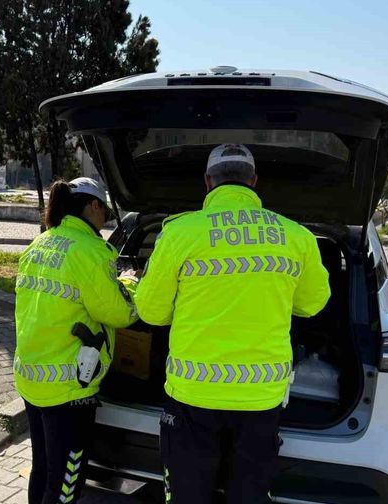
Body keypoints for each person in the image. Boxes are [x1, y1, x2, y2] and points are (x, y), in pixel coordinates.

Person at [135, 144, 331, 503]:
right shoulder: (297, 237)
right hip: (261, 397)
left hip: (193, 396)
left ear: (208, 182)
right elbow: (312, 305)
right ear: (254, 181)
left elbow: (150, 312)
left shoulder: (179, 234)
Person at [14, 177, 139, 504]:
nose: (105, 220)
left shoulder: (39, 244)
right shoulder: (90, 252)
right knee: (66, 481)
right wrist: (134, 285)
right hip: (69, 389)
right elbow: (119, 314)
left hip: (33, 377)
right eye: (105, 213)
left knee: (42, 468)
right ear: (93, 206)